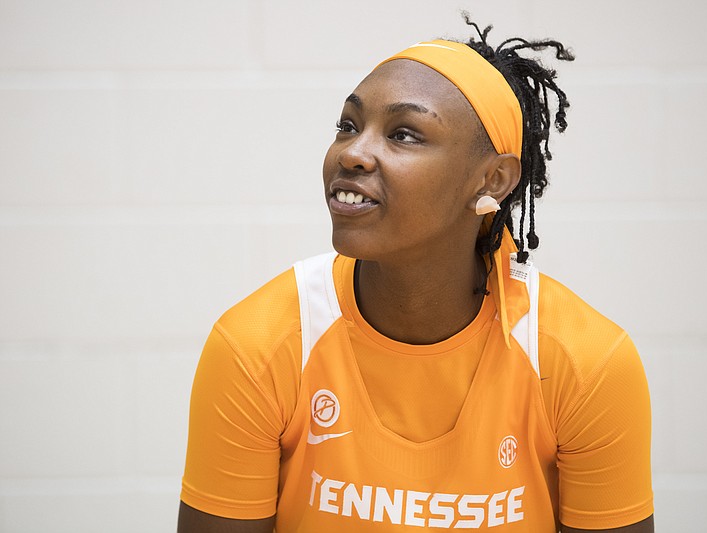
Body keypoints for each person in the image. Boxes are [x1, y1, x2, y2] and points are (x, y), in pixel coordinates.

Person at [178, 17, 654, 533]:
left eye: (404, 134)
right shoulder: (258, 346)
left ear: (492, 179)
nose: (353, 153)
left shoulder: (584, 363)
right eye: (348, 125)